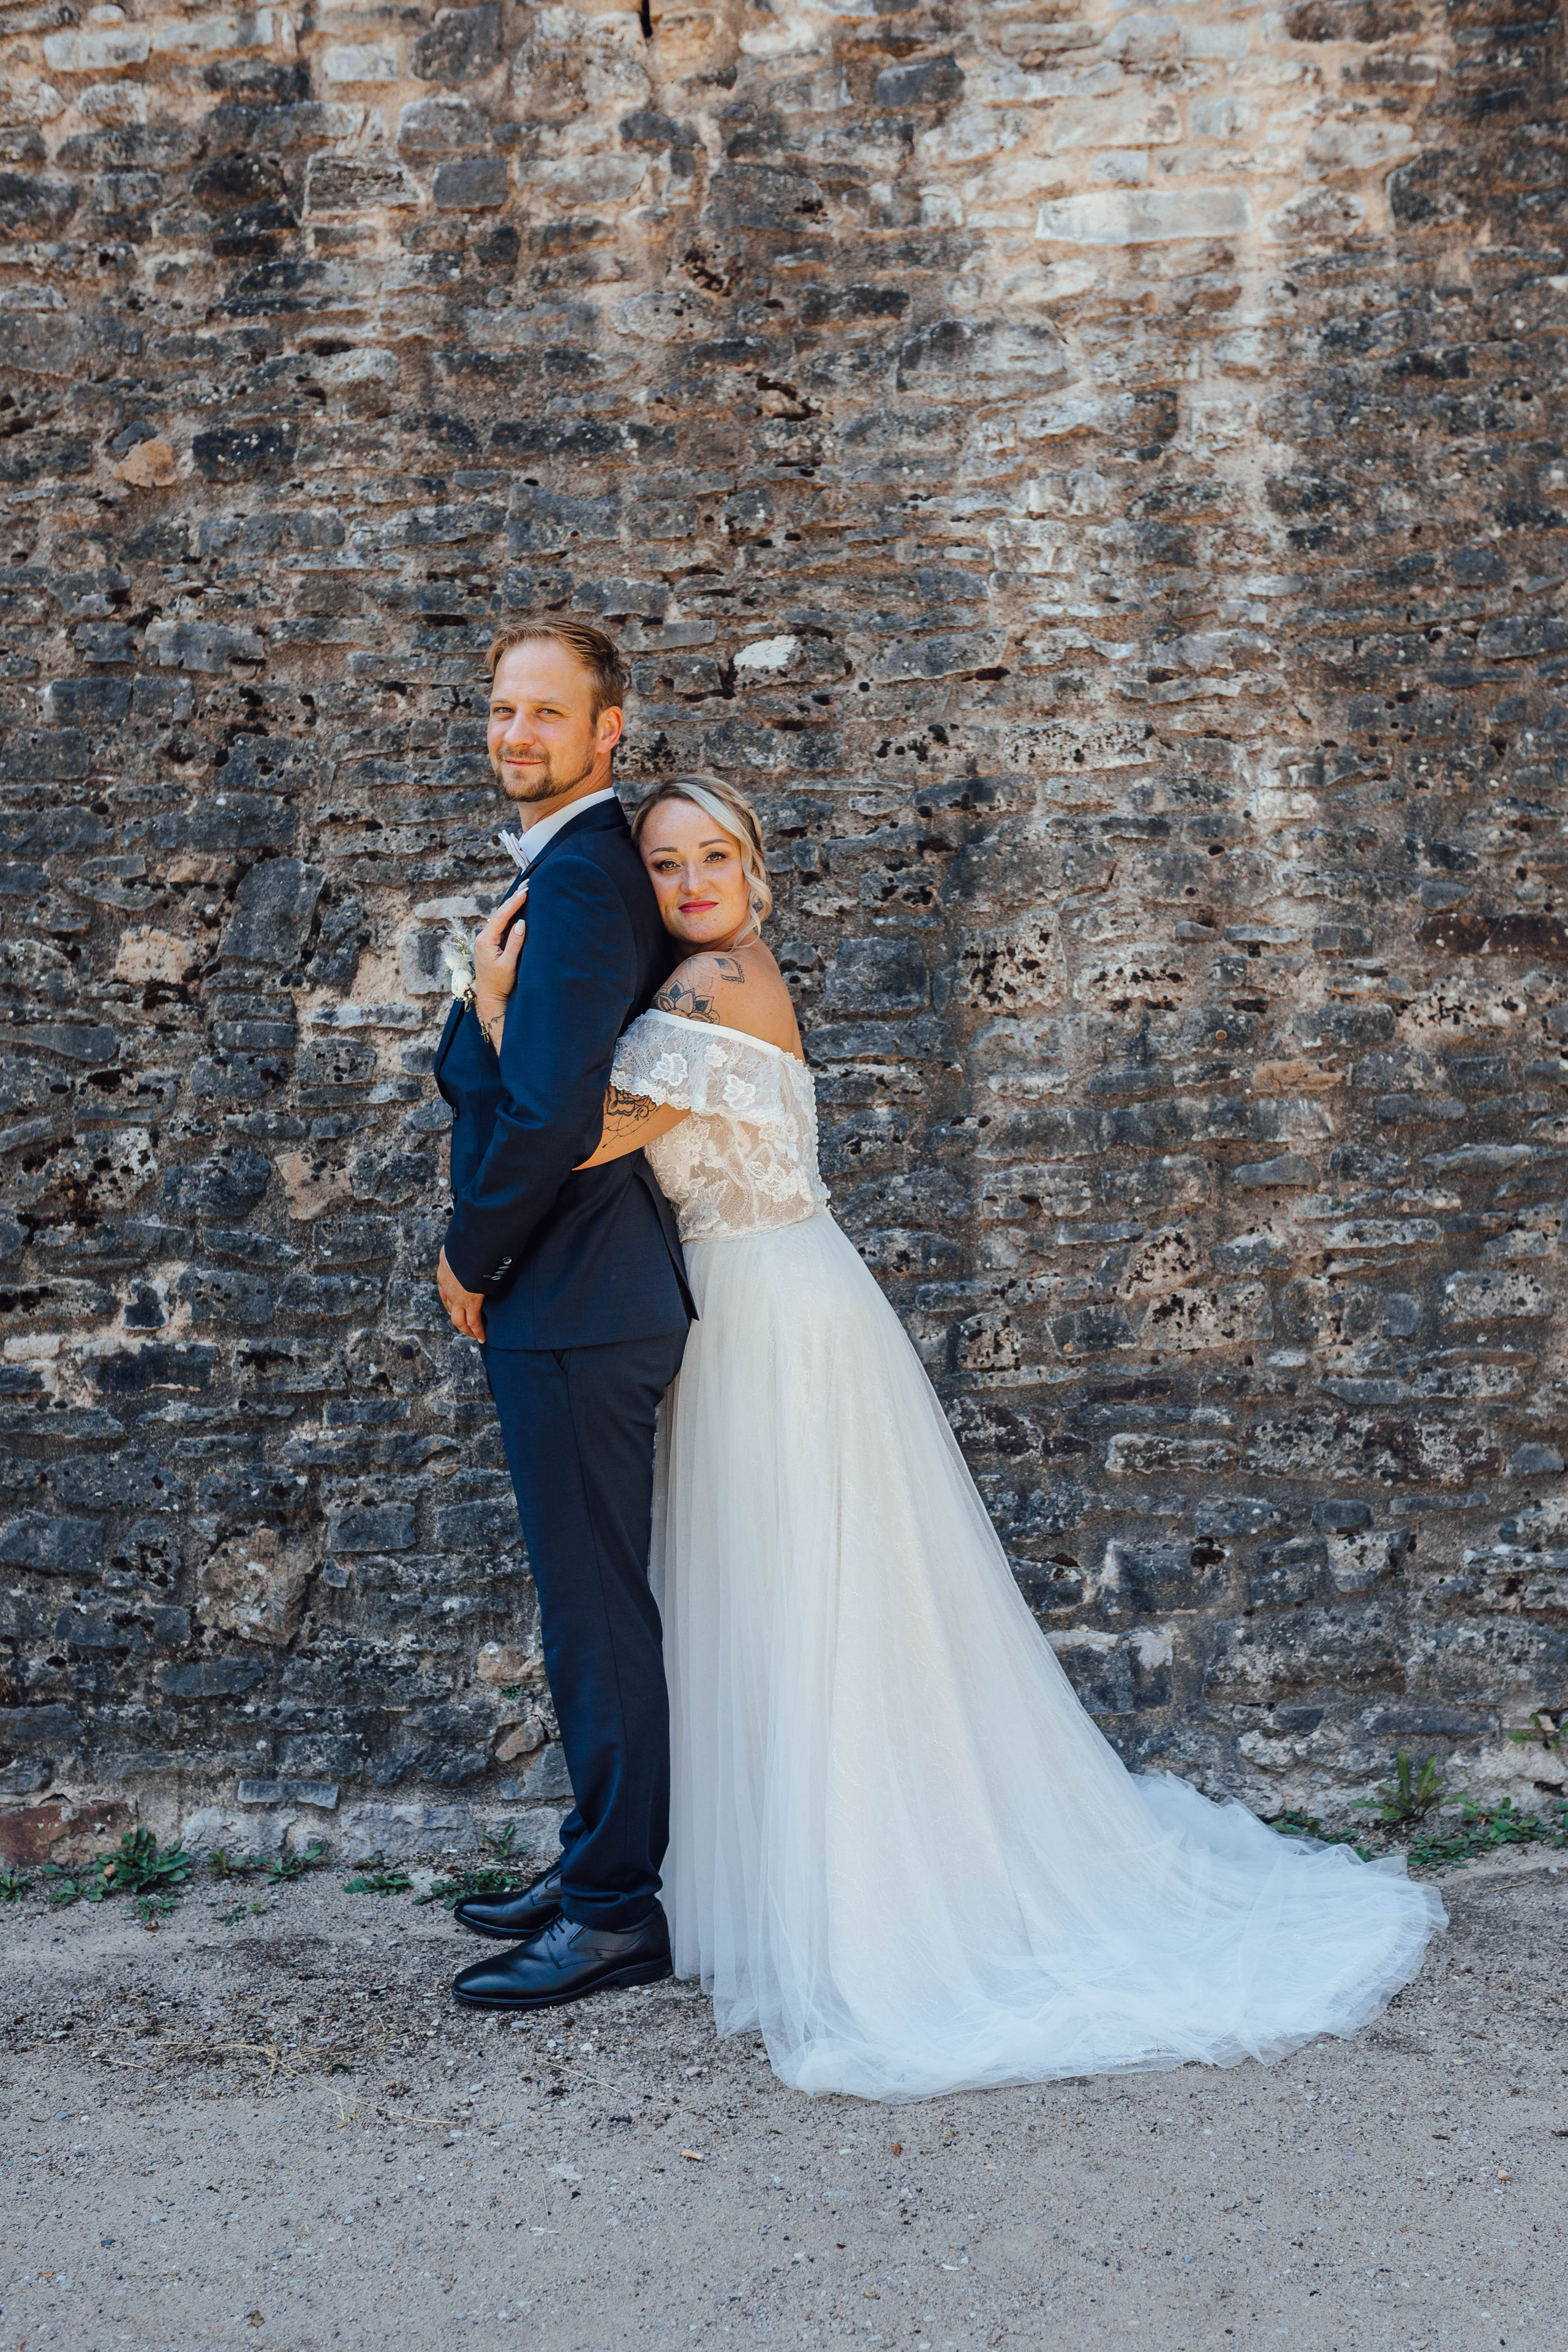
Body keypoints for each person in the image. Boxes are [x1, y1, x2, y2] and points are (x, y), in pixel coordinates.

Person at [457, 769, 1448, 2096]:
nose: (689, 883)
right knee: (780, 1596)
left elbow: (577, 1133)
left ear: (756, 872)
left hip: (777, 1317)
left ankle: (865, 1893)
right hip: (747, 1303)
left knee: (817, 1602)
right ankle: (728, 1870)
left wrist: (496, 1009)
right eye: (665, 865)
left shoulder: (713, 986)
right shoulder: (700, 980)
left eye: (713, 858)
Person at [432, 617, 693, 2015]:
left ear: (608, 731)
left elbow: (550, 1114)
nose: (516, 733)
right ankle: (596, 1858)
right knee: (587, 1607)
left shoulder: (587, 877)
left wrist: (469, 1255)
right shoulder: (571, 866)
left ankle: (611, 1913)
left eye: (546, 712)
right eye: (501, 710)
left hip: (576, 1292)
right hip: (582, 1289)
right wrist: (486, 1002)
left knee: (595, 1617)